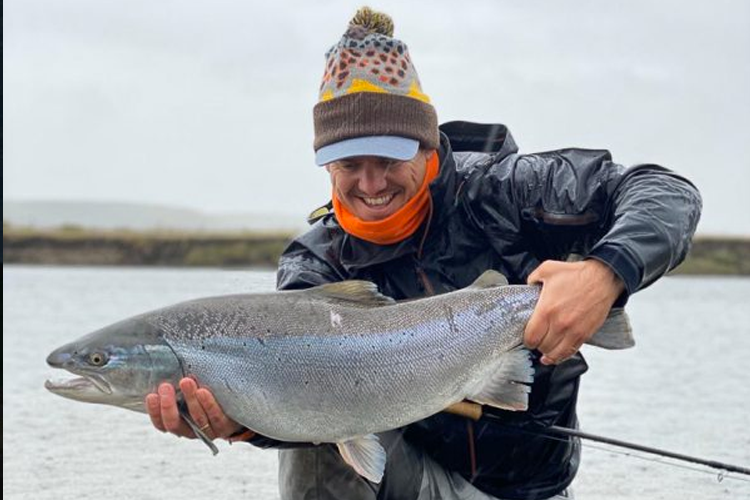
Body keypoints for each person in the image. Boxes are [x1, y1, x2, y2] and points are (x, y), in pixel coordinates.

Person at [145, 6, 702, 500]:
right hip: (412, 481)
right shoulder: (315, 266)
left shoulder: (507, 191)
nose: (370, 183)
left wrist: (605, 275)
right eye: (348, 164)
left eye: (388, 159)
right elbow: (292, 398)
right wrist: (236, 421)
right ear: (326, 164)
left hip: (533, 489)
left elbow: (667, 192)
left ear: (427, 145)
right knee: (315, 446)